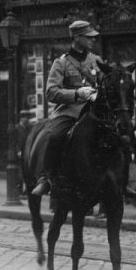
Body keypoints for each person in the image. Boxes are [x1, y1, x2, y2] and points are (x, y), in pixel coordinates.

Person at [30, 21, 102, 196]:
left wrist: (99, 94)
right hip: (70, 111)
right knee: (54, 136)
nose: (93, 39)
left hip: (95, 110)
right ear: (76, 37)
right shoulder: (60, 63)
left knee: (119, 134)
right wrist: (77, 93)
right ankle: (46, 178)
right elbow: (51, 92)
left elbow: (106, 84)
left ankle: (119, 180)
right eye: (88, 36)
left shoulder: (96, 60)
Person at [15, 109, 34, 197]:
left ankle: (26, 191)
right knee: (19, 173)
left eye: (27, 118)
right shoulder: (16, 128)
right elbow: (14, 141)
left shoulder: (30, 127)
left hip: (28, 152)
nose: (26, 119)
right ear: (21, 118)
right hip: (19, 153)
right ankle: (19, 191)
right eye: (24, 118)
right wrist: (18, 150)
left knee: (28, 172)